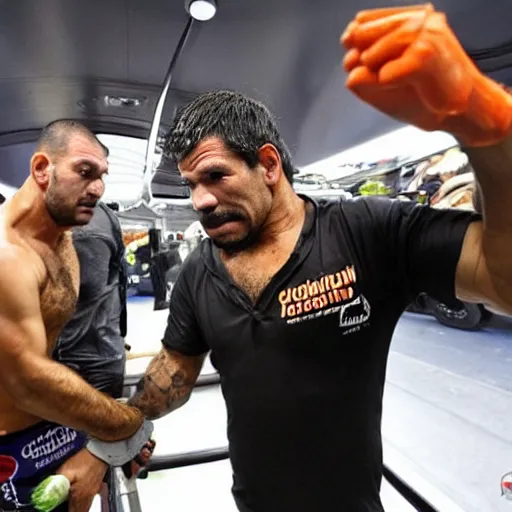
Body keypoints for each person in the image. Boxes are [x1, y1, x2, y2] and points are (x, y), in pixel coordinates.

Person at [125, 5, 512, 512]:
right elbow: (176, 366)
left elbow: (502, 283)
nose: (198, 200)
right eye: (191, 184)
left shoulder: (367, 232)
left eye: (215, 176)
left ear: (267, 164)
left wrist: (483, 126)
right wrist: (124, 425)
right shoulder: (200, 268)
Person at [0, 119, 152, 511]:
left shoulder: (63, 236)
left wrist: (102, 435)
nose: (97, 188)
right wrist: (125, 423)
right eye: (84, 172)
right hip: (7, 445)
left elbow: (62, 343)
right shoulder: (9, 256)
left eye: (101, 176)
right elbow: (28, 380)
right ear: (41, 170)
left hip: (51, 425)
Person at [53, 200, 128, 400]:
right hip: (95, 357)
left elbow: (74, 306)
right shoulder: (94, 215)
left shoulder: (83, 230)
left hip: (84, 367)